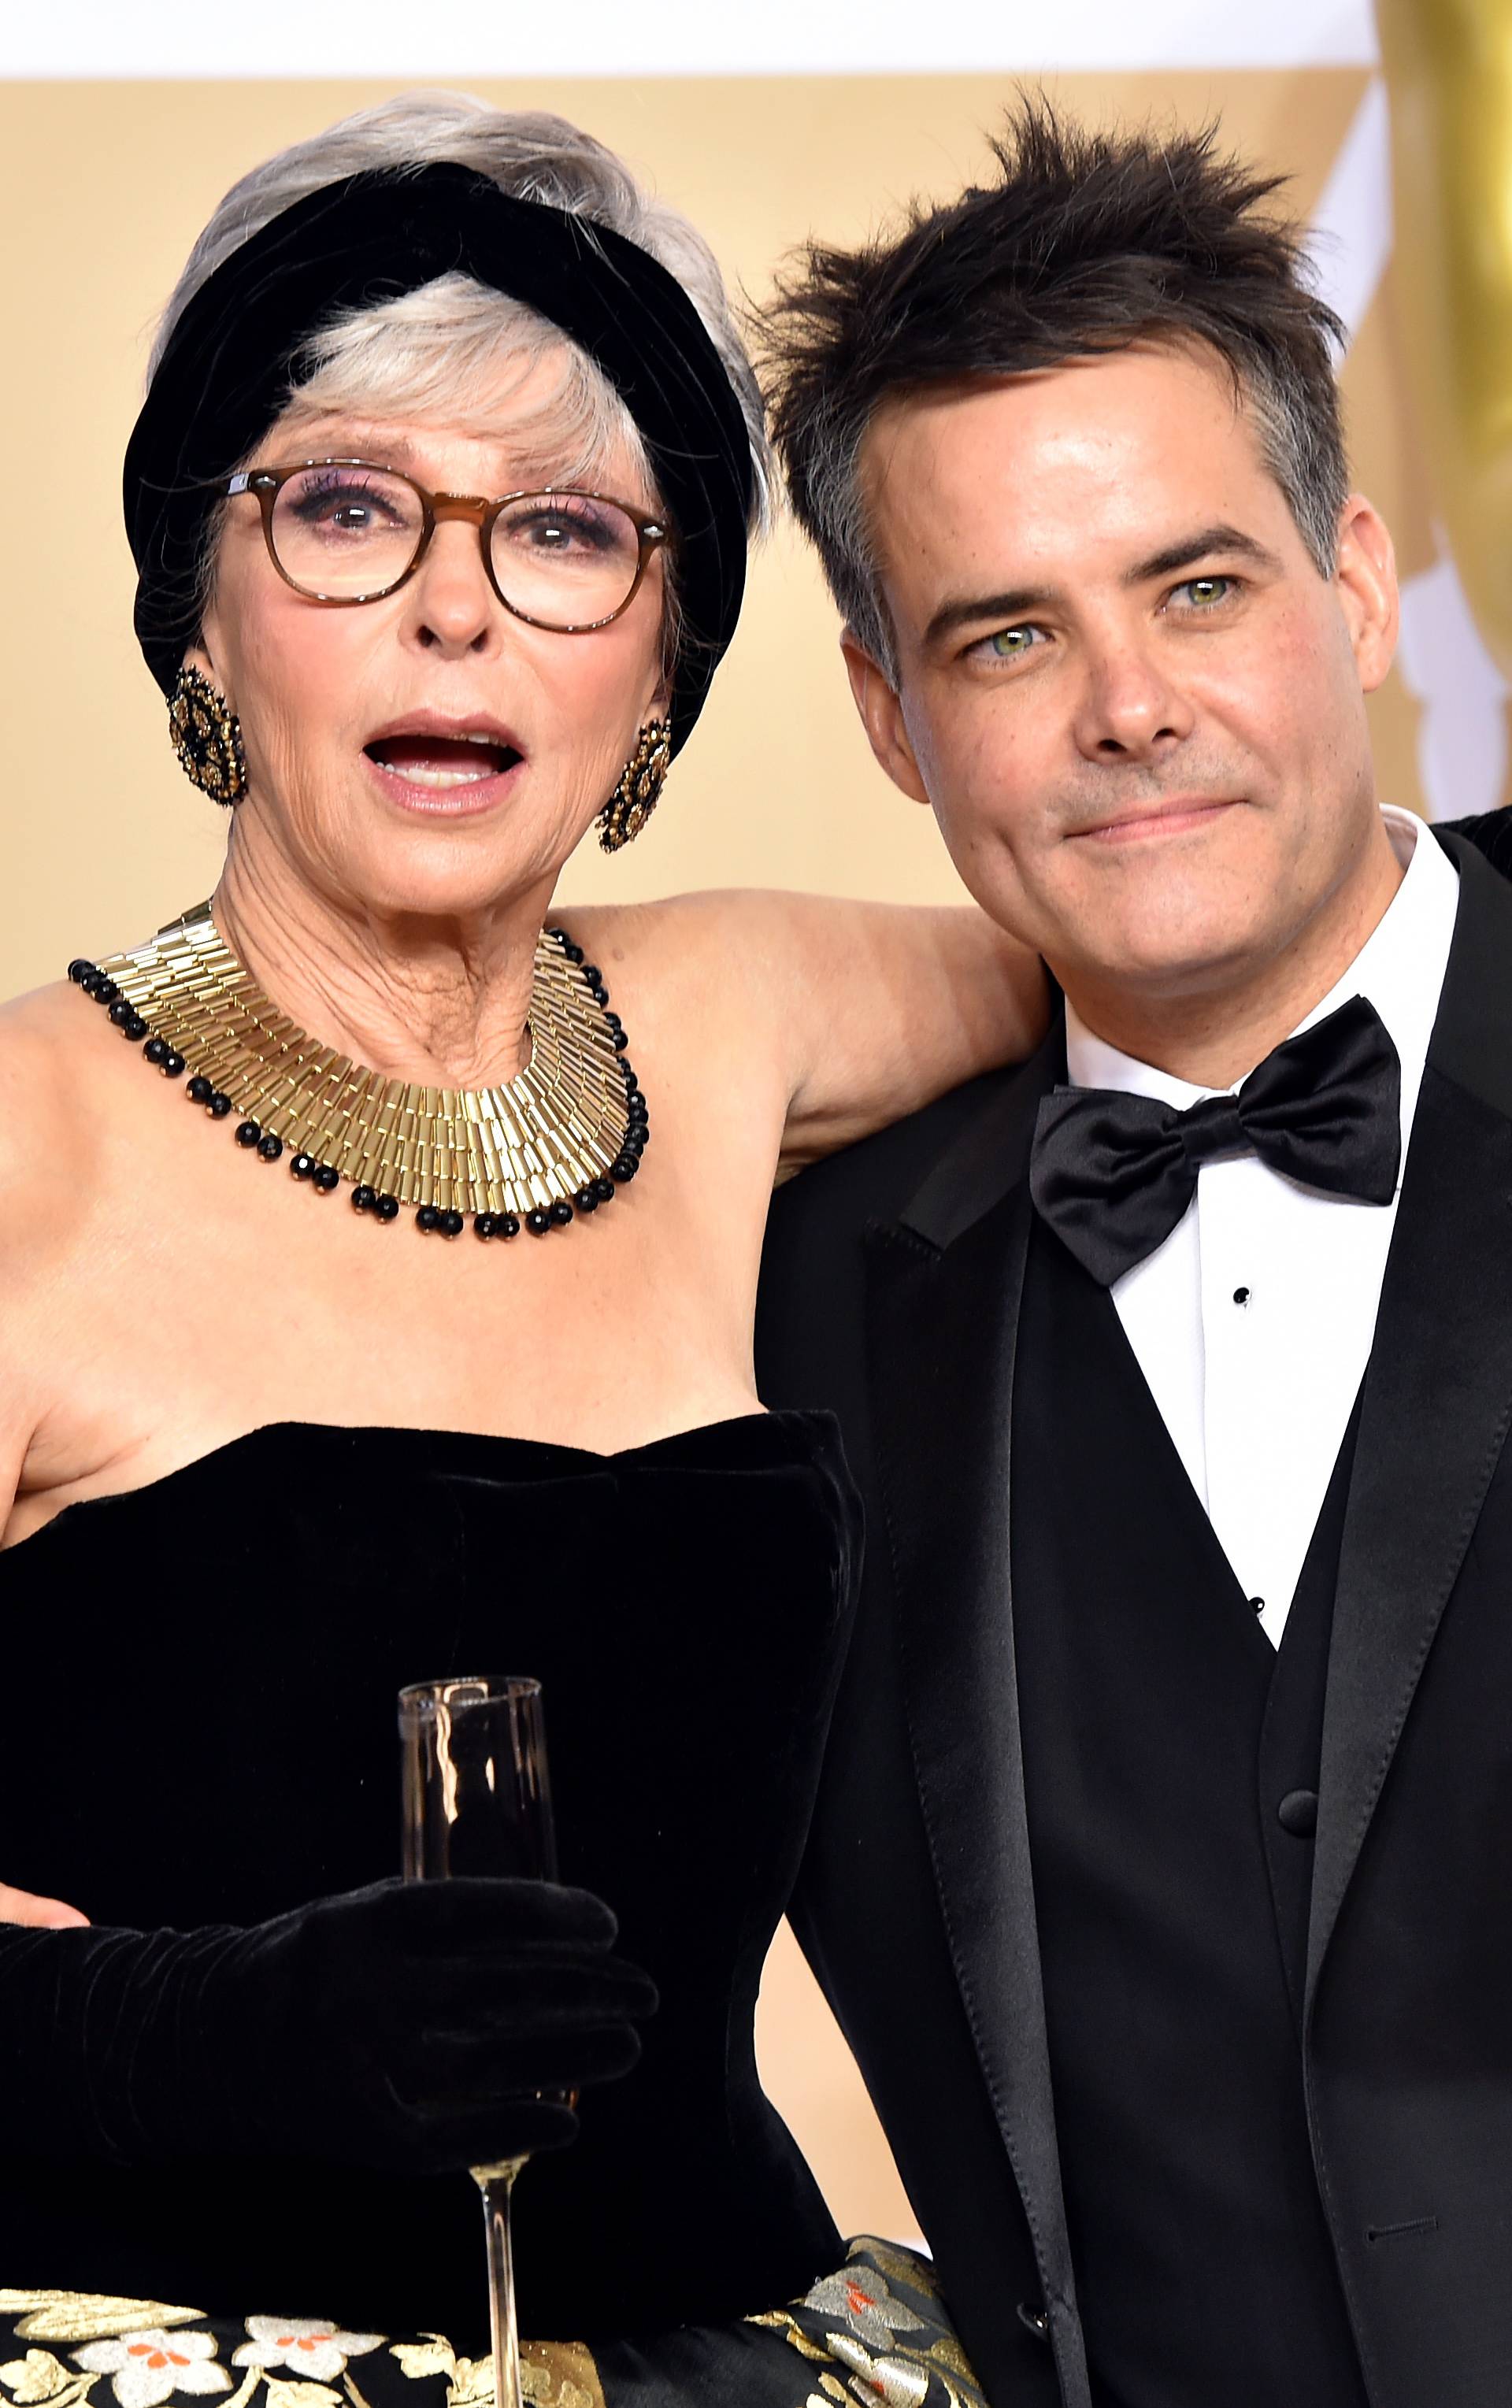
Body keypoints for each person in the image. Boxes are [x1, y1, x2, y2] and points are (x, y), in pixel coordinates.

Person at [0, 92, 1050, 2408]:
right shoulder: (17, 1150)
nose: (456, 603)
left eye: (569, 531)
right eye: (352, 506)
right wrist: (210, 2022)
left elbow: (1195, 899)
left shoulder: (734, 1016)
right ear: (201, 591)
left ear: (657, 668)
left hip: (754, 2351)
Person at [756, 104, 1512, 2408]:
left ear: (1355, 580)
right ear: (893, 717)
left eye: (1197, 584)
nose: (1127, 707)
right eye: (1006, 635)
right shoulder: (795, 1309)